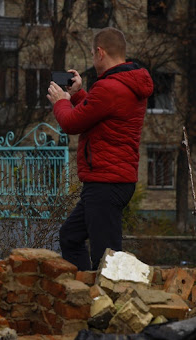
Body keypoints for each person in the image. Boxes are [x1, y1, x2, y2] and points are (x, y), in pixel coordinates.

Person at [47, 27, 153, 271]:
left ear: (99, 52)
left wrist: (61, 101)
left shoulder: (109, 88)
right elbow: (97, 111)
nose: (93, 61)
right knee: (70, 237)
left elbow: (72, 123)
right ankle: (84, 295)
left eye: (93, 56)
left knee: (107, 259)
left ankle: (109, 305)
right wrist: (77, 94)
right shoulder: (124, 84)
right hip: (111, 180)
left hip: (106, 182)